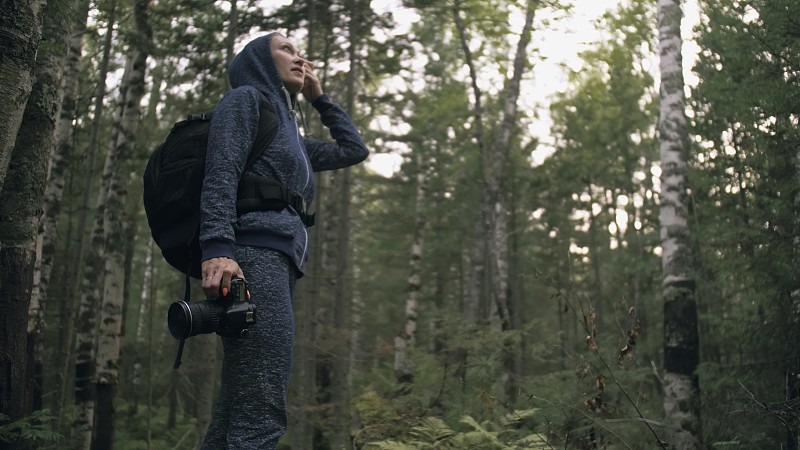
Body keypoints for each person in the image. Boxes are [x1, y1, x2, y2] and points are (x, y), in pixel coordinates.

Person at [197, 32, 369, 449]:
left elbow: (353, 149)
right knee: (261, 407)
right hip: (252, 258)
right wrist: (218, 247)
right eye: (286, 49)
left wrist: (319, 99)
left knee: (237, 408)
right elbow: (221, 171)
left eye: (299, 50)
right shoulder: (246, 101)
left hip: (277, 262)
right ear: (260, 60)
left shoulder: (290, 134)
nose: (299, 57)